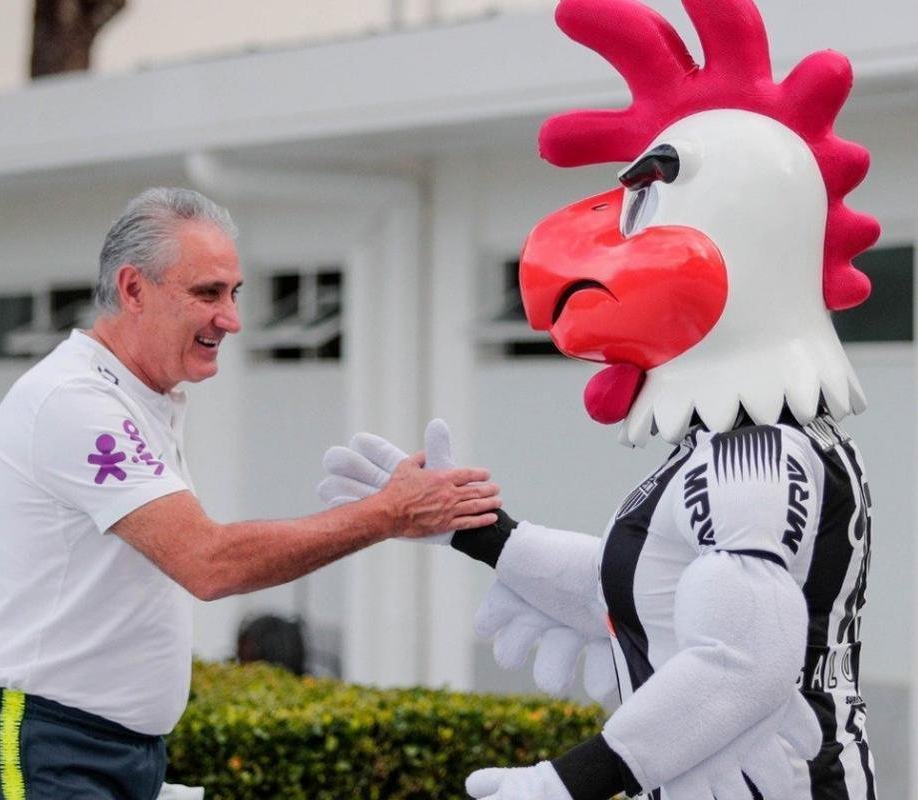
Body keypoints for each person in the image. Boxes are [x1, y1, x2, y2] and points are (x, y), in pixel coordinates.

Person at [320, 0, 879, 798]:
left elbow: (742, 663)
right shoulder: (735, 450)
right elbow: (647, 584)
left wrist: (566, 782)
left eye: (646, 197)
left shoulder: (756, 458)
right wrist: (477, 532)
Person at [0, 187, 502, 800]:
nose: (232, 318)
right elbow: (208, 562)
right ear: (133, 290)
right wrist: (389, 513)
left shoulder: (136, 397)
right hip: (47, 744)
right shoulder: (75, 402)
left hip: (109, 750)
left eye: (234, 293)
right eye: (208, 293)